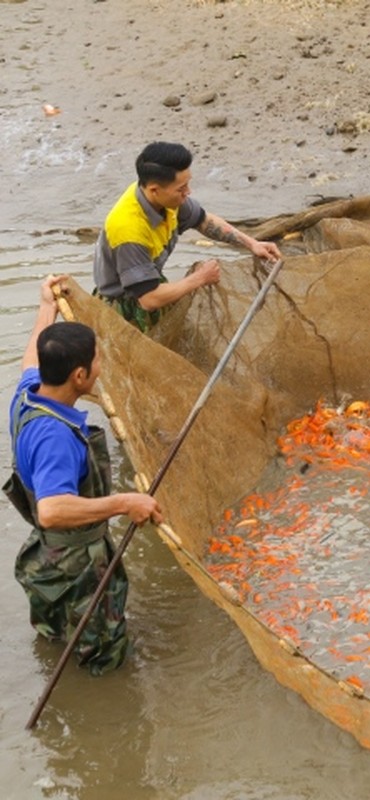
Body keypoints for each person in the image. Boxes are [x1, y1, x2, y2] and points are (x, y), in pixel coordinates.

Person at [4, 276, 162, 674]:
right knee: (104, 657)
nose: (99, 366)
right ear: (78, 376)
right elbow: (52, 511)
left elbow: (28, 360)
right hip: (75, 565)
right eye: (95, 361)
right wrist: (126, 502)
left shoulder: (28, 392)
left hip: (45, 557)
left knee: (56, 635)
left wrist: (46, 308)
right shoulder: (56, 438)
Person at [93, 141, 281, 331]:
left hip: (151, 282)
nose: (188, 193)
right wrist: (200, 278)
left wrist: (251, 243)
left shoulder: (165, 198)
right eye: (181, 189)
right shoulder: (128, 230)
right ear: (154, 190)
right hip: (125, 305)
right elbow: (149, 300)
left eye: (187, 185)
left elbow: (203, 220)